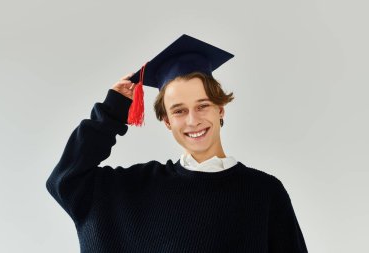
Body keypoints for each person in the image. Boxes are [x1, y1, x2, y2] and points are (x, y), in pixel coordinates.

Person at [46, 34, 308, 252]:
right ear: (167, 121)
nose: (193, 120)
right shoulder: (136, 188)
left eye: (203, 106)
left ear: (221, 109)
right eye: (179, 111)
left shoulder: (264, 192)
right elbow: (67, 180)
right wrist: (110, 115)